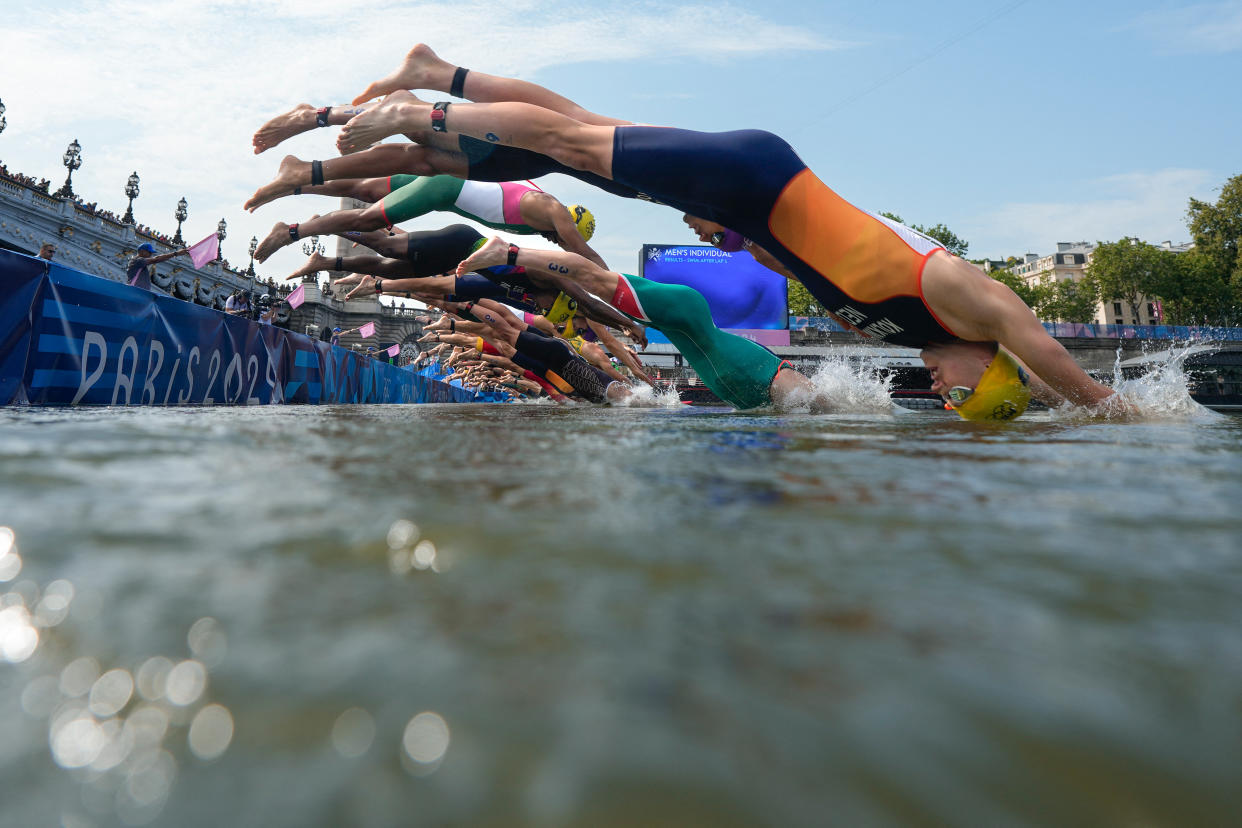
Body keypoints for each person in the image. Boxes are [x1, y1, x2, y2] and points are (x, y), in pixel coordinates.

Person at [338, 45, 1129, 420]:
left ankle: (439, 73)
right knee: (572, 144)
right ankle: (422, 112)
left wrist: (739, 241)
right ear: (984, 373)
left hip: (747, 211)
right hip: (758, 176)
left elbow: (817, 262)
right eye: (964, 399)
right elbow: (1058, 361)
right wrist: (1114, 411)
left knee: (579, 134)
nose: (946, 400)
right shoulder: (966, 298)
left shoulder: (906, 332)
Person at [457, 238, 829, 411]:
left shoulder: (766, 392)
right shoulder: (784, 384)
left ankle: (509, 255)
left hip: (708, 345)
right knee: (597, 278)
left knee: (597, 281)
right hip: (691, 317)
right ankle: (508, 252)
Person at [249, 171, 603, 268]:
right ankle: (292, 231)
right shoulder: (553, 210)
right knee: (371, 218)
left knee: (364, 187)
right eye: (562, 236)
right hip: (442, 190)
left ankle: (295, 184)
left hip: (444, 182)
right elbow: (582, 256)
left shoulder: (541, 209)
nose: (557, 240)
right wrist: (619, 287)